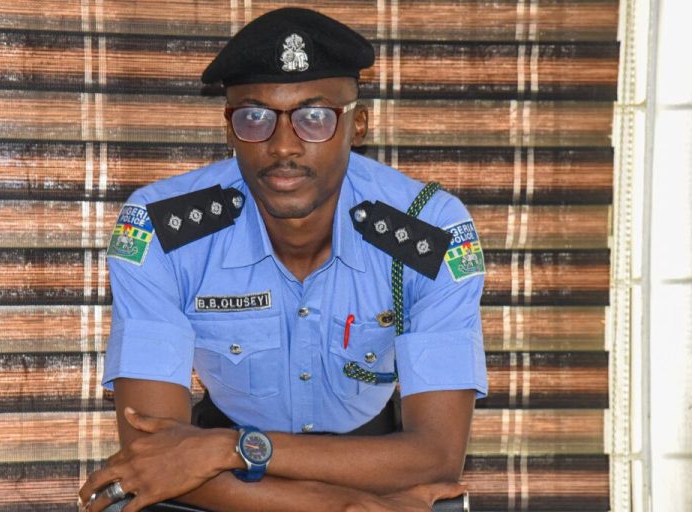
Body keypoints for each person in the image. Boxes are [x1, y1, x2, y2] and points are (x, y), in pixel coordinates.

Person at [79, 7, 487, 512]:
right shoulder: (161, 230)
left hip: (369, 459)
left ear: (358, 124)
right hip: (229, 482)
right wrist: (341, 507)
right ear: (229, 127)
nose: (283, 147)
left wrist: (234, 449)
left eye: (314, 117)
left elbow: (436, 457)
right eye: (255, 117)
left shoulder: (430, 230)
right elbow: (152, 456)